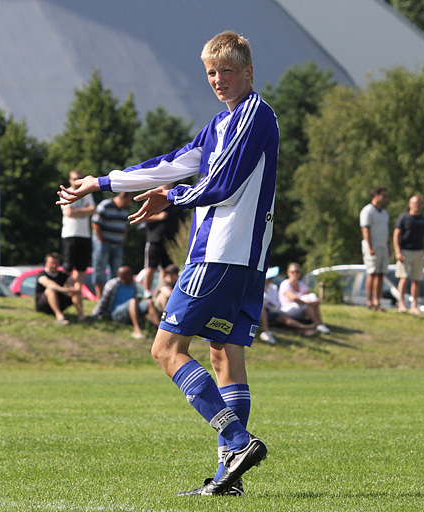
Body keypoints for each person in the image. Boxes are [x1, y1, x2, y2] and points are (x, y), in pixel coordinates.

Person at [58, 31, 276, 496]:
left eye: (227, 71)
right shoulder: (222, 123)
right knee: (223, 354)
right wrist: (100, 182)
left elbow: (222, 185)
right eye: (211, 73)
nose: (218, 79)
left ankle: (237, 441)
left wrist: (171, 197)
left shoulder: (254, 116)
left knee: (165, 350)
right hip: (243, 261)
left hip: (218, 255)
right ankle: (227, 478)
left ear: (250, 72)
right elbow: (173, 163)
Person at [393, 195, 424, 314]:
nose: (417, 205)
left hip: (419, 251)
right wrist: (398, 251)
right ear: (410, 204)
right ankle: (401, 303)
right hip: (405, 251)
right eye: (415, 203)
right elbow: (396, 235)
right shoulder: (404, 218)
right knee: (404, 277)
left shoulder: (423, 220)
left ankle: (414, 306)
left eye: (419, 203)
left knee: (417, 279)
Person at [259, 266, 317, 345]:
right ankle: (304, 327)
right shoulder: (258, 287)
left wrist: (271, 304)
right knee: (282, 319)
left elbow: (277, 304)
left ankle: (304, 329)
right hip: (264, 312)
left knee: (282, 318)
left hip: (274, 311)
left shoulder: (273, 288)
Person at [91, 192, 133, 299]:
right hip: (103, 243)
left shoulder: (126, 209)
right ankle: (100, 297)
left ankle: (111, 297)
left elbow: (126, 226)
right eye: (129, 199)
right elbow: (95, 222)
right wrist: (101, 239)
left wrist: (123, 239)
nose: (129, 202)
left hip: (117, 244)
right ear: (122, 197)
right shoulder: (105, 205)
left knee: (116, 271)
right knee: (100, 269)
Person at [92, 265, 150, 339]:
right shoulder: (113, 284)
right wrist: (96, 315)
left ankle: (159, 328)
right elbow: (103, 301)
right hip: (116, 314)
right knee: (132, 301)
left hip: (132, 311)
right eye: (129, 275)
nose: (131, 276)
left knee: (149, 302)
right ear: (123, 276)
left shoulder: (132, 284)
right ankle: (137, 330)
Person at [60, 170, 95, 293]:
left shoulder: (87, 193)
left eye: (79, 178)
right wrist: (85, 210)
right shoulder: (65, 192)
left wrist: (77, 212)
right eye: (74, 178)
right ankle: (64, 292)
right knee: (68, 268)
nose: (77, 181)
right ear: (70, 180)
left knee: (81, 269)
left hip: (84, 234)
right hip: (70, 234)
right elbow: (69, 212)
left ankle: (78, 294)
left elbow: (93, 209)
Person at [360, 186, 391, 311]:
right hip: (372, 246)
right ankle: (369, 301)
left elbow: (386, 231)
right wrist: (370, 247)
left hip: (383, 246)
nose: (385, 198)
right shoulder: (367, 211)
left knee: (381, 274)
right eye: (383, 195)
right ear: (376, 195)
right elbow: (365, 229)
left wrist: (389, 247)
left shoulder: (384, 213)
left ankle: (377, 301)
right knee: (372, 273)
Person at [142, 205, 182, 298]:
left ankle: (160, 289)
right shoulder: (154, 197)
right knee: (150, 267)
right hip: (155, 239)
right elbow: (143, 216)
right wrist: (159, 217)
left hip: (170, 241)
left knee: (166, 269)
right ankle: (147, 292)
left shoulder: (175, 201)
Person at [278, 263, 331, 334]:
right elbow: (294, 299)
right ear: (288, 273)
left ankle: (319, 323)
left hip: (300, 308)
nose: (295, 274)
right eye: (293, 272)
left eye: (297, 272)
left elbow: (309, 296)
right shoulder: (285, 284)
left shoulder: (301, 284)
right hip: (287, 310)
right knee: (306, 304)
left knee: (312, 297)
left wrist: (315, 301)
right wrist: (311, 302)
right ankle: (318, 324)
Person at [35, 252, 85, 325]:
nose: (54, 265)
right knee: (50, 290)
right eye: (51, 263)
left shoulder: (63, 275)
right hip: (44, 305)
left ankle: (81, 316)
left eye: (56, 263)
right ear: (46, 263)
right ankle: (59, 316)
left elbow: (74, 282)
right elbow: (49, 284)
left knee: (74, 291)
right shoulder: (42, 274)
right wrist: (64, 290)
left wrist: (74, 289)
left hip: (60, 302)